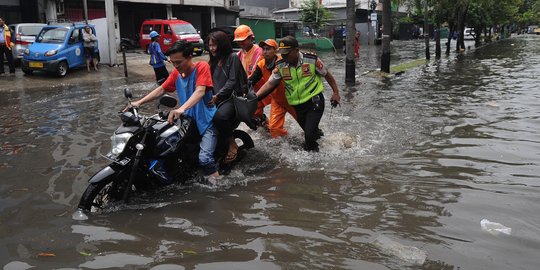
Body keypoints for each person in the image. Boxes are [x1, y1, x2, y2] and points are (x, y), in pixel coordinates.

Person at [130, 40, 219, 179]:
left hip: (207, 122)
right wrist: (139, 102)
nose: (176, 66)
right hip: (188, 122)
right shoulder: (177, 74)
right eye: (173, 63)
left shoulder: (201, 67)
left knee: (205, 159)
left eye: (179, 62)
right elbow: (162, 89)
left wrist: (181, 108)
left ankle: (218, 184)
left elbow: (200, 91)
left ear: (190, 57)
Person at [255, 36, 341, 152]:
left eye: (287, 53)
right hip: (297, 106)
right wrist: (255, 98)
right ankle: (323, 144)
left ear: (296, 50)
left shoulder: (311, 60)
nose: (284, 56)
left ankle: (314, 163)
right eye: (282, 54)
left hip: (314, 101)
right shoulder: (281, 65)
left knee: (308, 137)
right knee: (311, 133)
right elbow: (270, 84)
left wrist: (336, 93)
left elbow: (327, 75)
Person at [208, 30, 247, 164]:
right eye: (210, 45)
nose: (212, 48)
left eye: (214, 45)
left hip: (231, 98)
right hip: (217, 98)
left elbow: (232, 81)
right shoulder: (212, 61)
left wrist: (217, 96)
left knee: (219, 117)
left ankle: (231, 142)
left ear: (223, 45)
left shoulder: (232, 58)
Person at [248, 39, 296, 138]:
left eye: (268, 49)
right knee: (274, 129)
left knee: (306, 126)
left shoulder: (283, 62)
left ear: (275, 50)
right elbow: (252, 80)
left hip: (293, 99)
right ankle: (287, 143)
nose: (265, 51)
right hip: (277, 100)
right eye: (264, 49)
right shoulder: (261, 64)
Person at [233, 25, 270, 126]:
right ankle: (265, 124)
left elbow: (255, 73)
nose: (240, 43)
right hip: (249, 88)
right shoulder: (239, 54)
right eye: (238, 41)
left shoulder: (259, 52)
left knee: (256, 111)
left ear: (251, 38)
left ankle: (270, 128)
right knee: (253, 113)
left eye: (243, 40)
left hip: (261, 87)